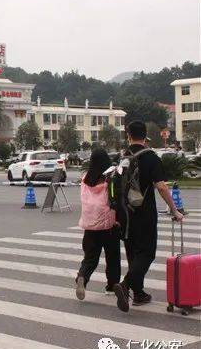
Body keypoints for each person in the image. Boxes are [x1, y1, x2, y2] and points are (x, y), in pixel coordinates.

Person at [113, 121, 184, 312]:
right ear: (145, 136)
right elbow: (161, 186)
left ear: (128, 136)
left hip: (125, 214)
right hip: (144, 215)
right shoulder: (150, 157)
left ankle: (139, 294)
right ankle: (126, 285)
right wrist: (175, 210)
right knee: (147, 253)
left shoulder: (123, 159)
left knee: (133, 254)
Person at [75, 148, 121, 300]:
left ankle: (82, 277)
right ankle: (112, 286)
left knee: (90, 257)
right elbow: (115, 199)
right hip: (108, 225)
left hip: (90, 225)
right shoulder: (110, 178)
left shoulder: (85, 178)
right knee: (112, 257)